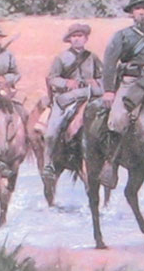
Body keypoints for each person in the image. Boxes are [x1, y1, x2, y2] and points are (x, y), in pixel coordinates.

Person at [99, 0, 144, 188]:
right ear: (132, 13)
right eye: (137, 9)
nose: (141, 12)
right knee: (117, 116)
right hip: (132, 82)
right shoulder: (122, 36)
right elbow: (109, 63)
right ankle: (111, 162)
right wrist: (108, 90)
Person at [42, 23, 103, 173]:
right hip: (68, 98)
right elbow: (52, 79)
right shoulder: (61, 58)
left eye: (80, 36)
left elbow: (102, 76)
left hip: (90, 95)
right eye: (74, 37)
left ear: (86, 38)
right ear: (69, 39)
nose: (77, 40)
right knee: (52, 130)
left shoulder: (92, 57)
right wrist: (67, 82)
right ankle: (48, 162)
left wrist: (96, 82)